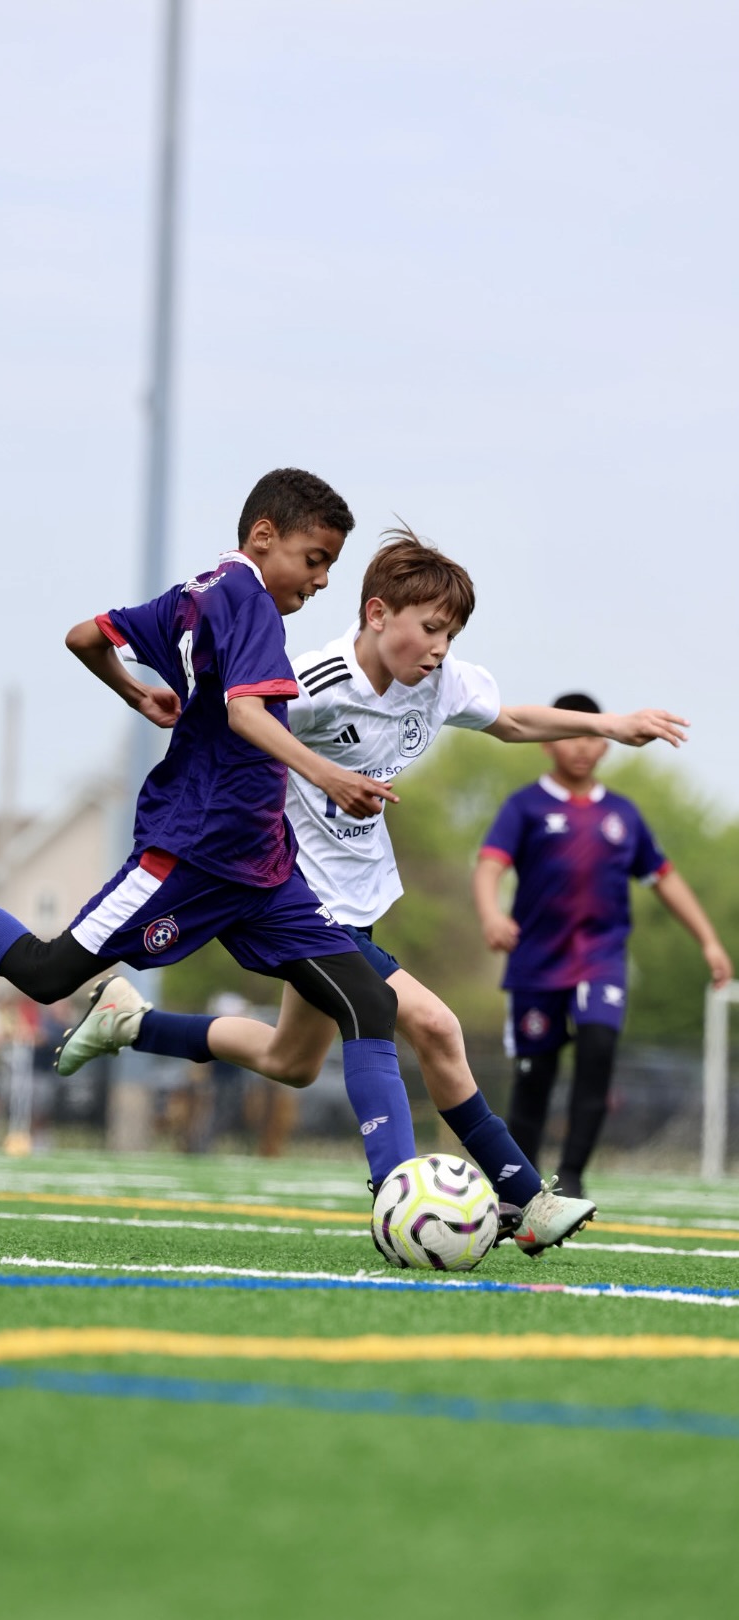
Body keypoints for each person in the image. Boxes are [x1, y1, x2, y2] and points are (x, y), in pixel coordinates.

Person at [0, 469, 440, 1214]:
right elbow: (251, 715)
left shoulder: (197, 591)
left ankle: (396, 1197)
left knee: (365, 1004)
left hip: (262, 865)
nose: (322, 581)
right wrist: (331, 776)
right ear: (264, 537)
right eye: (316, 559)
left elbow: (85, 637)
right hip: (189, 851)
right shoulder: (249, 598)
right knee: (45, 972)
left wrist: (135, 691)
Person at [53, 532, 688, 1255]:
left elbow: (509, 721)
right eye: (430, 629)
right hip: (291, 895)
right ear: (378, 614)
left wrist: (609, 723)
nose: (441, 648)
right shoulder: (312, 681)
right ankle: (520, 1198)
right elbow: (237, 728)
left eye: (451, 634)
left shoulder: (440, 683)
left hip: (356, 900)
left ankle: (128, 1022)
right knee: (436, 1025)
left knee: (291, 1062)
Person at [473, 692, 733, 1199]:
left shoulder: (623, 816)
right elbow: (489, 864)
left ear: (607, 743)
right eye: (572, 733)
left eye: (593, 735)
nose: (582, 746)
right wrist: (491, 913)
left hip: (601, 959)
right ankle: (521, 1191)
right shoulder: (524, 806)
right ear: (548, 742)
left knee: (598, 1052)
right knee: (534, 1076)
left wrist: (709, 941)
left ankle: (571, 1179)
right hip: (536, 965)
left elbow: (664, 878)